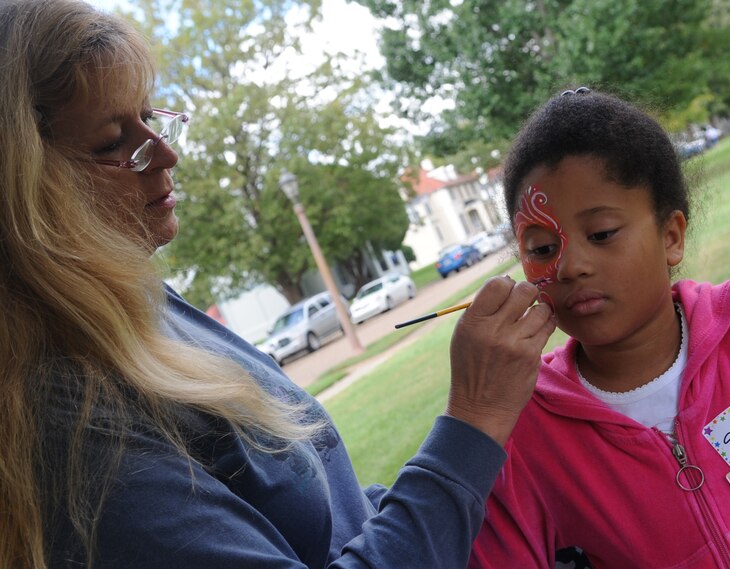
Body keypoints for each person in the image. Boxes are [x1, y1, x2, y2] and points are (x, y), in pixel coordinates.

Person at [0, 1, 556, 567]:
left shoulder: (143, 309)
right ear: (26, 190)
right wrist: (473, 422)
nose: (166, 152)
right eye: (112, 143)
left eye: (149, 118)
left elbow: (336, 522)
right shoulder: (71, 423)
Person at [469, 88, 730, 569]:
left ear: (671, 236)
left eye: (602, 234)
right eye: (542, 249)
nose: (571, 266)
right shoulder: (525, 430)